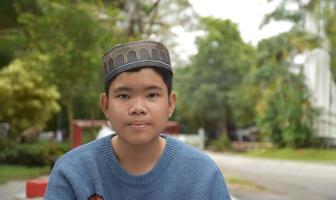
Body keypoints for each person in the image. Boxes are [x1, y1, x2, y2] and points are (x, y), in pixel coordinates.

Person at [45, 40, 232, 200]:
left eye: (152, 95)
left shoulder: (202, 174)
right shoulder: (73, 172)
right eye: (124, 96)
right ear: (105, 105)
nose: (138, 108)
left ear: (170, 104)